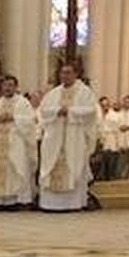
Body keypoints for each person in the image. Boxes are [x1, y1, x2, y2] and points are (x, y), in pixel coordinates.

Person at [37, 63, 99, 211]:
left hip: (74, 137)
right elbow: (43, 110)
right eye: (62, 73)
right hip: (54, 137)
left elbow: (91, 111)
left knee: (74, 166)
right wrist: (57, 111)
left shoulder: (85, 92)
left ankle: (72, 203)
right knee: (52, 165)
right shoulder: (53, 93)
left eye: (68, 73)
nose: (65, 76)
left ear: (76, 74)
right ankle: (50, 204)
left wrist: (70, 111)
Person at [0, 75, 38, 209]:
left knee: (15, 168)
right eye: (5, 85)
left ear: (15, 87)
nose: (7, 88)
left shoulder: (23, 102)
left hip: (16, 141)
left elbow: (30, 121)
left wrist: (13, 118)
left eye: (10, 85)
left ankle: (15, 200)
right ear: (2, 87)